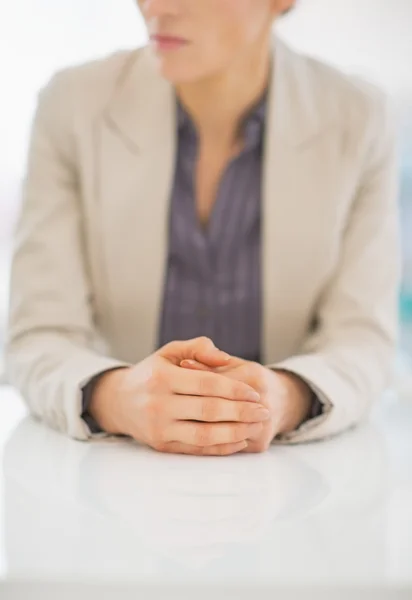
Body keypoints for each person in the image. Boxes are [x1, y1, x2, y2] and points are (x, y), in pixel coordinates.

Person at [6, 0, 400, 456]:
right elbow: (39, 335)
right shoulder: (72, 105)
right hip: (116, 469)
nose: (156, 7)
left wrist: (283, 398)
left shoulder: (359, 118)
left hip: (291, 478)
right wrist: (116, 397)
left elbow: (362, 339)